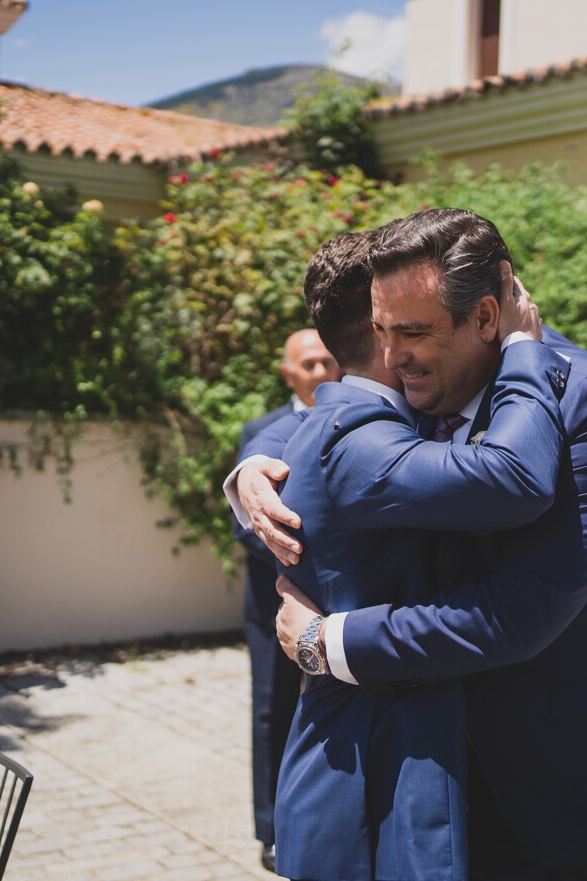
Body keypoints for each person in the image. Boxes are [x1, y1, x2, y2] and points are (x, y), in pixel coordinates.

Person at [245, 208, 587, 879]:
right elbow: (347, 407)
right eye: (382, 331)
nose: (393, 358)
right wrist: (253, 464)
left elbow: (517, 613)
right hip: (479, 808)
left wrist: (328, 642)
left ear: (487, 318)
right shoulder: (427, 380)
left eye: (413, 333)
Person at [262, 231, 566, 881]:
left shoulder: (321, 430)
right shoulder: (361, 443)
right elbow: (514, 478)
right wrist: (522, 349)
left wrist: (245, 473)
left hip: (346, 758)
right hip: (378, 771)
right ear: (383, 336)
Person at [232, 328, 338, 872]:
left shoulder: (354, 424)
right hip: (271, 595)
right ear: (288, 372)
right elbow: (241, 525)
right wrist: (294, 562)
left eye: (327, 361)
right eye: (309, 363)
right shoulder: (259, 432)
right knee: (271, 709)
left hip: (336, 605)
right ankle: (270, 828)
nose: (320, 371)